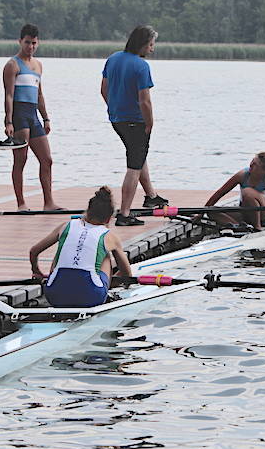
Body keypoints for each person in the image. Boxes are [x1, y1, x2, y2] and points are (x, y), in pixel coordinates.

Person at [101, 25, 168, 226]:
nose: (152, 49)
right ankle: (124, 214)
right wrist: (150, 123)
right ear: (142, 44)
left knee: (137, 156)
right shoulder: (141, 66)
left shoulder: (113, 59)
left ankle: (151, 196)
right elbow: (144, 101)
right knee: (133, 165)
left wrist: (114, 108)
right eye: (151, 45)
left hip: (117, 120)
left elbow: (104, 89)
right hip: (136, 121)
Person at [29, 186, 133, 307]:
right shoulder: (109, 236)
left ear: (87, 211)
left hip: (54, 295)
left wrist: (37, 272)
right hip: (91, 296)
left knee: (63, 249)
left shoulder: (66, 226)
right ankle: (102, 286)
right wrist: (112, 280)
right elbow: (127, 274)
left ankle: (60, 281)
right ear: (110, 218)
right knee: (106, 255)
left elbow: (33, 252)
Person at [1, 23, 62, 212]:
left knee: (47, 160)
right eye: (27, 43)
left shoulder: (38, 65)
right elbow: (9, 95)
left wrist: (46, 118)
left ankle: (49, 203)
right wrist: (8, 121)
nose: (31, 47)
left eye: (34, 43)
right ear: (20, 41)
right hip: (19, 116)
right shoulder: (12, 65)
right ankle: (21, 204)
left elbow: (40, 95)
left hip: (34, 115)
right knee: (21, 160)